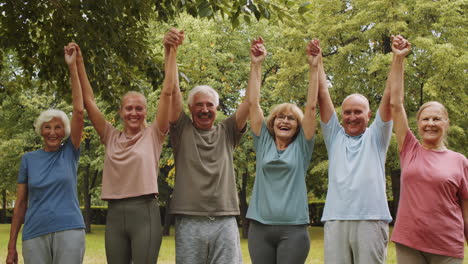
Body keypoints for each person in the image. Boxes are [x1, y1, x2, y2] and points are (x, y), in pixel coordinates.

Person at [72, 28, 182, 263]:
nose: (134, 113)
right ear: (121, 112)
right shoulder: (110, 136)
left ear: (146, 112)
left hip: (145, 211)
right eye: (129, 108)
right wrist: (78, 63)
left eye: (139, 108)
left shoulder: (155, 133)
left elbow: (168, 91)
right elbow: (89, 101)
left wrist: (171, 51)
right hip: (114, 213)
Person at [317, 36, 404, 263]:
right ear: (341, 115)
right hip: (336, 219)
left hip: (371, 219)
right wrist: (317, 63)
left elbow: (389, 97)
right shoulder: (334, 136)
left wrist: (397, 58)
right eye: (347, 112)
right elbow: (323, 95)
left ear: (368, 114)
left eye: (358, 112)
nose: (352, 117)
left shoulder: (377, 136)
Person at [165, 28, 249, 264]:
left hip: (225, 220)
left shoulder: (228, 132)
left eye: (209, 105)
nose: (204, 109)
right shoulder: (181, 130)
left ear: (217, 109)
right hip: (189, 220)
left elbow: (251, 101)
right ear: (190, 109)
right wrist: (171, 51)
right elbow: (171, 92)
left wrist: (256, 64)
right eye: (199, 105)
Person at [389, 36, 468, 263]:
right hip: (409, 243)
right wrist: (398, 58)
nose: (431, 123)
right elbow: (395, 104)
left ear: (447, 123)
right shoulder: (409, 148)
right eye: (425, 119)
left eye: (437, 119)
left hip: (447, 246)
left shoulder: (460, 161)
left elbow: (465, 208)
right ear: (418, 123)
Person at [6, 43, 85, 264]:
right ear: (41, 130)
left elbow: (79, 112)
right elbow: (21, 204)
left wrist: (73, 67)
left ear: (65, 131)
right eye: (47, 127)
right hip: (34, 234)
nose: (52, 131)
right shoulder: (28, 160)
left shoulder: (70, 152)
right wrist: (11, 246)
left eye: (58, 127)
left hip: (69, 230)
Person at [245, 38, 320, 264]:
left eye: (291, 118)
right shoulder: (264, 142)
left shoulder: (301, 147)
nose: (285, 121)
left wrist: (314, 66)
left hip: (293, 230)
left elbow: (311, 107)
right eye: (280, 117)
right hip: (259, 228)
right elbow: (253, 104)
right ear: (272, 122)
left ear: (298, 125)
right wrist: (256, 64)